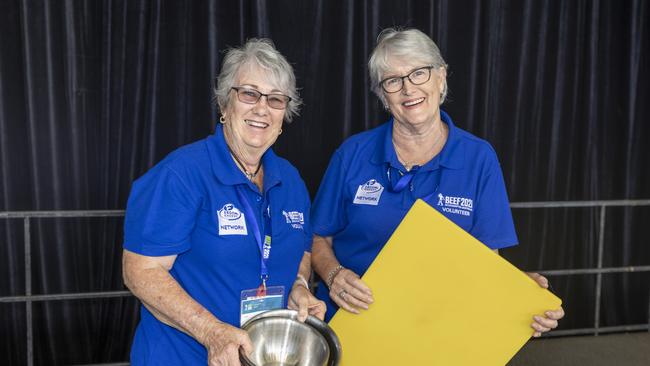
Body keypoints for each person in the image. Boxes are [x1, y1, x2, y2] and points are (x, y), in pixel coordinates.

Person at [310, 28, 564, 337]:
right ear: (382, 95)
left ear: (440, 77)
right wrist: (334, 275)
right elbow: (317, 238)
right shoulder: (352, 154)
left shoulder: (478, 158)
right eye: (393, 80)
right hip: (355, 325)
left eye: (419, 73)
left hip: (438, 330)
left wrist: (523, 296)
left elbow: (486, 262)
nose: (407, 89)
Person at [122, 38, 325, 366]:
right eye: (249, 93)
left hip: (262, 356)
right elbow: (141, 272)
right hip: (182, 356)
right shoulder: (180, 174)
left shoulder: (290, 180)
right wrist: (211, 331)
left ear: (284, 115)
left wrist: (299, 285)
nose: (262, 108)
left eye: (275, 100)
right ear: (224, 104)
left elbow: (301, 250)